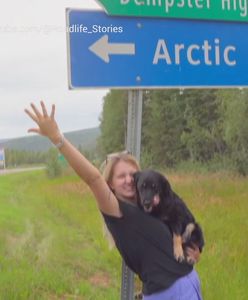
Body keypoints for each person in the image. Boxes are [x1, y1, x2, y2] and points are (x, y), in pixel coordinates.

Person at [24, 101, 203, 300]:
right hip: (166, 294)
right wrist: (57, 139)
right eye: (121, 176)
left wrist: (195, 249)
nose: (128, 180)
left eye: (132, 175)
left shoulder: (151, 207)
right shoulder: (117, 211)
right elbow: (93, 178)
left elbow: (181, 228)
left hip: (190, 283)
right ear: (110, 184)